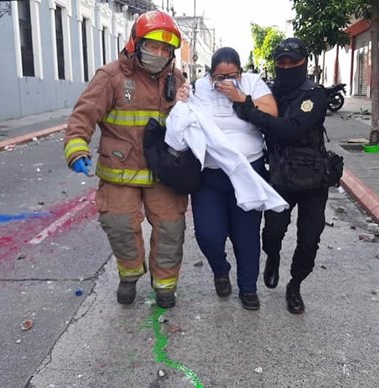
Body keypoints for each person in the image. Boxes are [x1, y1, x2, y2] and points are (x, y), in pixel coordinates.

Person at [63, 10, 190, 308]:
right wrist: (77, 148)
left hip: (163, 171)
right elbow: (84, 115)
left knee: (171, 228)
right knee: (120, 225)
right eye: (153, 46)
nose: (159, 54)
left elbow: (186, 121)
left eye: (165, 49)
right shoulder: (111, 77)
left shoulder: (176, 78)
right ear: (135, 43)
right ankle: (129, 276)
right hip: (120, 168)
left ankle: (165, 285)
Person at [231, 38, 330, 314]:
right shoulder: (269, 92)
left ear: (304, 63)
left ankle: (295, 285)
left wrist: (251, 111)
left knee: (309, 239)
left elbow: (291, 128)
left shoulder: (314, 95)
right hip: (280, 176)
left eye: (292, 62)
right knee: (272, 233)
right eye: (281, 62)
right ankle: (272, 256)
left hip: (312, 179)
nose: (286, 66)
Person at [187, 47, 277, 310]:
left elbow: (272, 112)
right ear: (210, 74)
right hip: (209, 176)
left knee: (246, 235)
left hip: (248, 172)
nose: (225, 81)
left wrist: (241, 97)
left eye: (232, 75)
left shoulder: (251, 83)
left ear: (240, 71)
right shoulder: (198, 87)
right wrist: (180, 99)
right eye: (219, 77)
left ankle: (248, 288)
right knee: (207, 234)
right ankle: (220, 269)